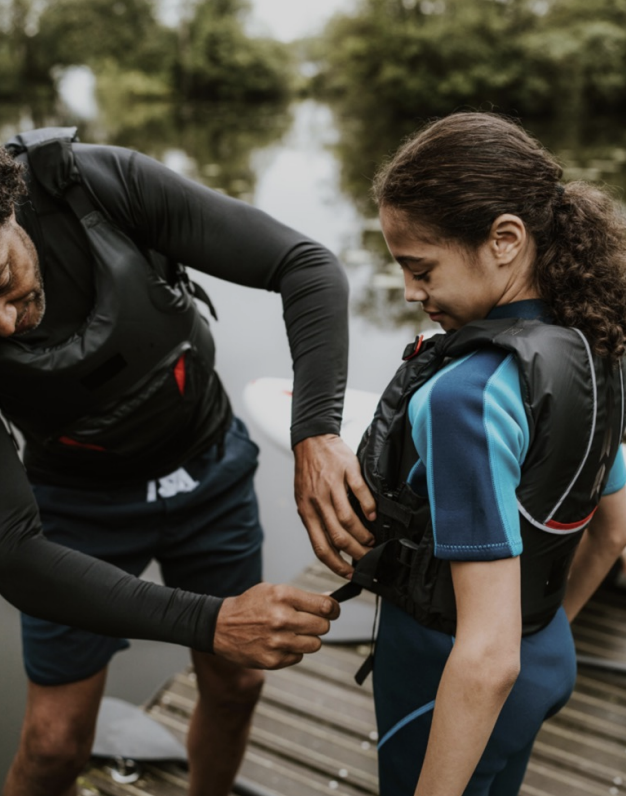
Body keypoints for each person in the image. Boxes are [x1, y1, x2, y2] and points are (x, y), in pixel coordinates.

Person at [0, 127, 375, 796]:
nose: (3, 323)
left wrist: (316, 433)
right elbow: (11, 553)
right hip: (75, 507)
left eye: (3, 281)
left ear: (6, 205)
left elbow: (306, 265)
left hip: (209, 473)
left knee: (237, 686)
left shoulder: (98, 184)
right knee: (55, 744)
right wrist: (209, 621)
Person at [330, 112, 626, 796]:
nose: (408, 291)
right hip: (546, 655)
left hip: (450, 682)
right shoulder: (595, 345)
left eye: (419, 266)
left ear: (504, 239)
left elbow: (486, 658)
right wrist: (540, 635)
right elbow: (612, 530)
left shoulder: (466, 396)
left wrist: (499, 656)